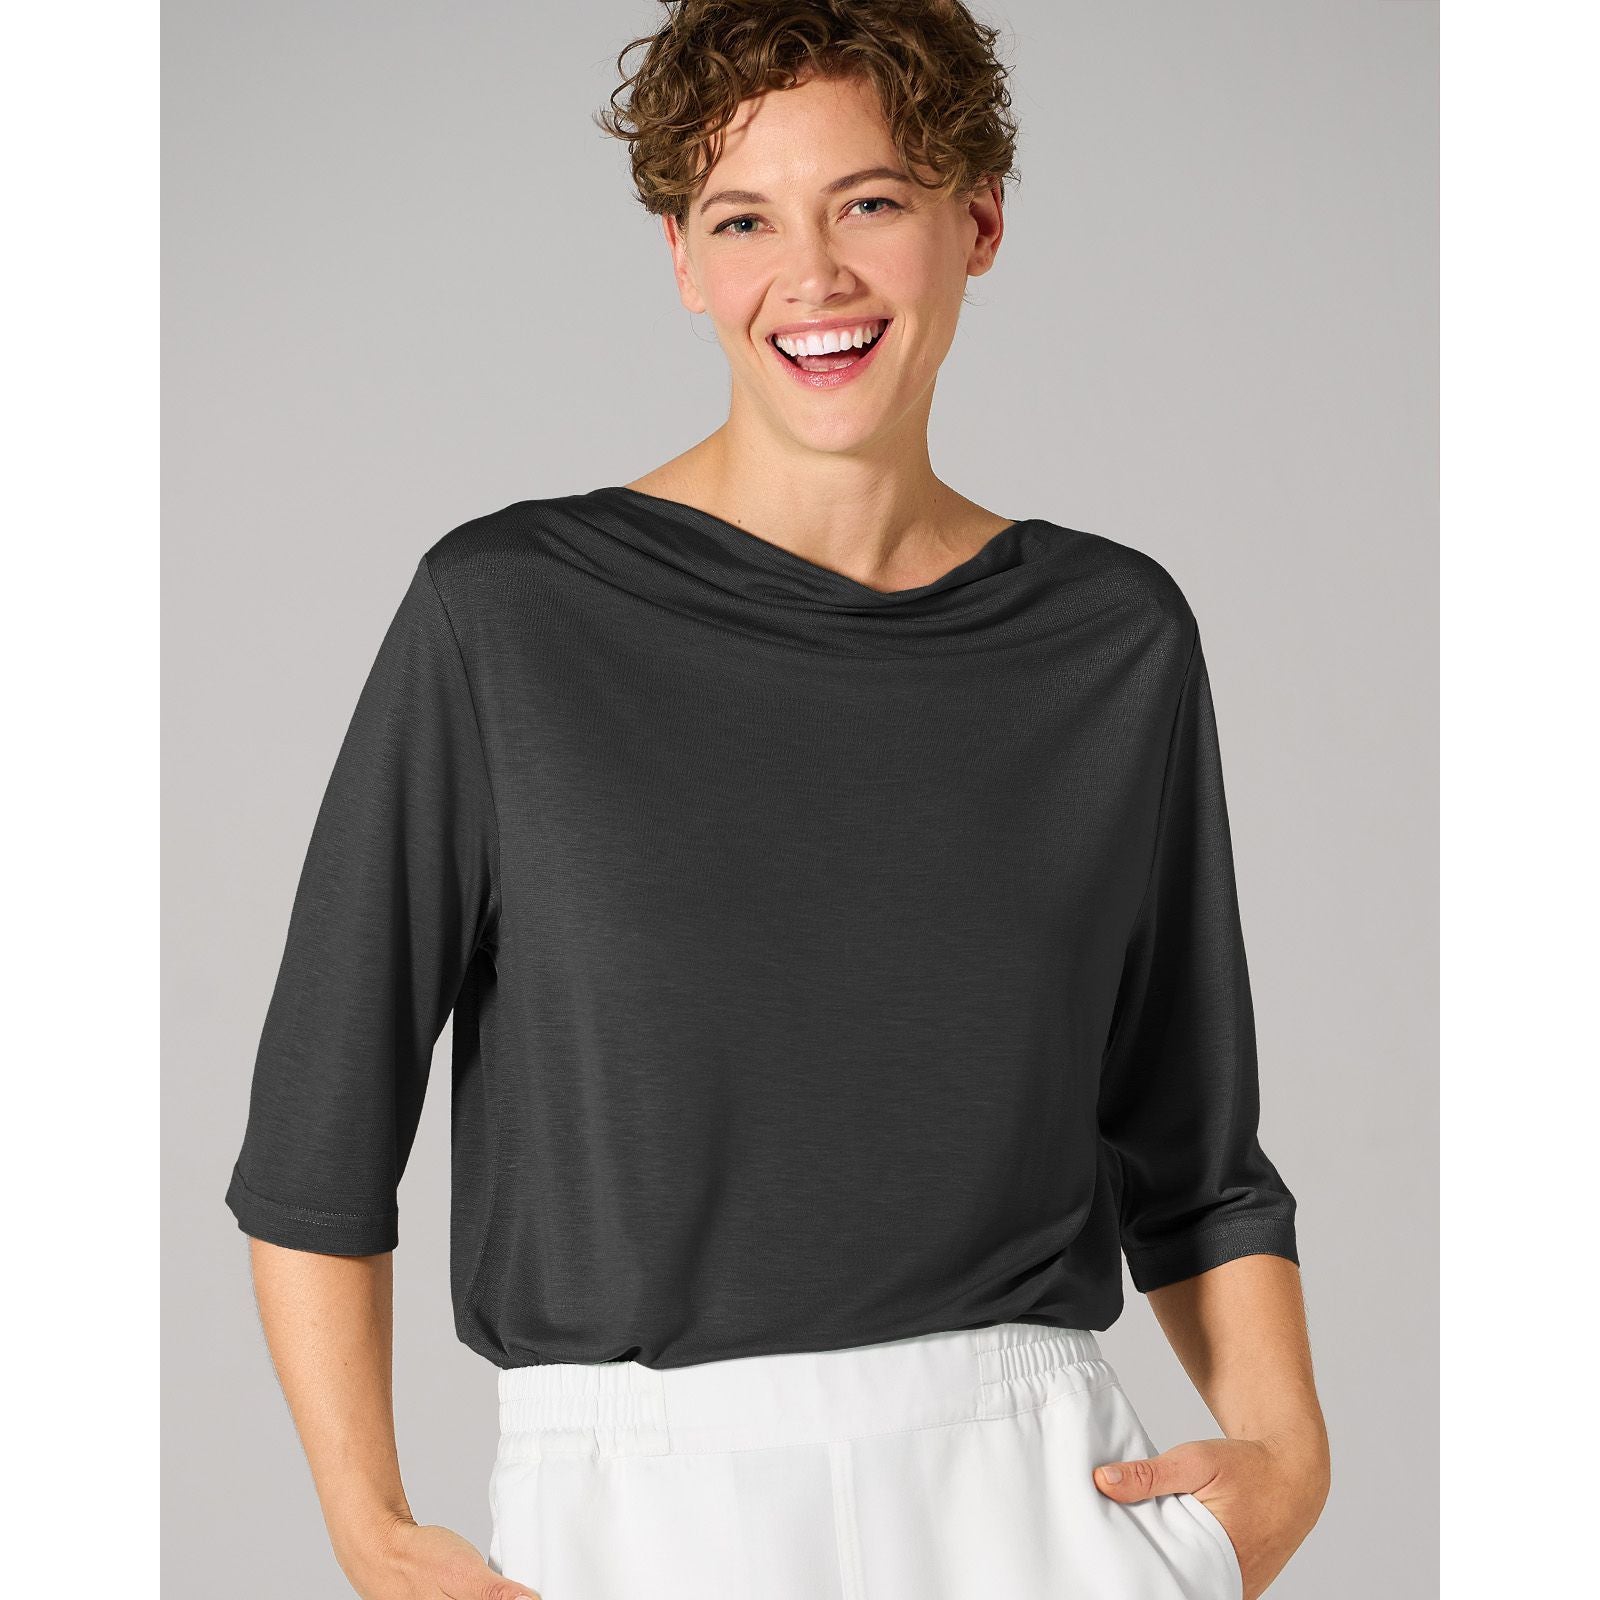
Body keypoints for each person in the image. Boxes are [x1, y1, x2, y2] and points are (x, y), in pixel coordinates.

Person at [223, 3, 1331, 1597]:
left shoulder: (1111, 642)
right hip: (644, 1516)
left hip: (1032, 1502)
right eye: (745, 219)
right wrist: (369, 1526)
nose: (811, 277)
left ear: (979, 219)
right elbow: (318, 1131)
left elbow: (1191, 1142)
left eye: (869, 202)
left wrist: (1285, 1460)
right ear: (683, 257)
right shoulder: (511, 617)